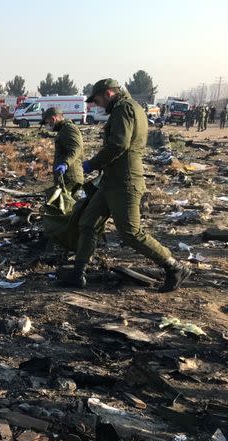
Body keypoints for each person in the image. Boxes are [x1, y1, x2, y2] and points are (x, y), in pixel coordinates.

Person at [67, 78, 190, 292]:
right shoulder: (132, 107)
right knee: (88, 222)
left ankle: (174, 267)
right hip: (110, 181)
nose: (96, 105)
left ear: (108, 93)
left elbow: (119, 145)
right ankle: (78, 273)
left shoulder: (123, 109)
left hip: (124, 181)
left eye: (96, 100)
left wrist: (91, 164)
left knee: (131, 232)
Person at [42, 107, 84, 195]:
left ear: (53, 119)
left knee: (67, 206)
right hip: (65, 178)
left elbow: (76, 149)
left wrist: (65, 164)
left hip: (70, 178)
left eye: (47, 122)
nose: (47, 125)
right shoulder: (63, 130)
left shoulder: (69, 129)